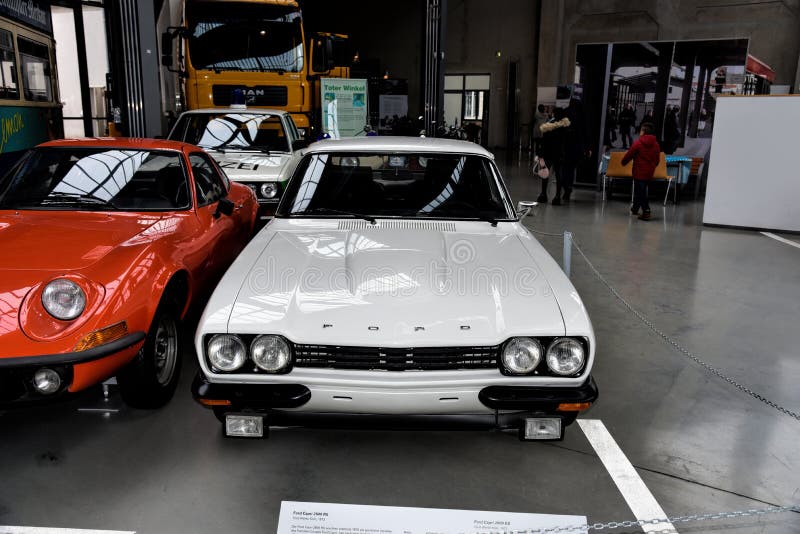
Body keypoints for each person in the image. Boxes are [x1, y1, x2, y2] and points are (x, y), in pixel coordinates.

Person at [622, 122, 660, 221]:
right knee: (640, 190)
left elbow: (629, 155)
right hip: (649, 172)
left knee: (641, 191)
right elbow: (657, 160)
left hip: (639, 171)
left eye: (641, 130)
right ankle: (635, 209)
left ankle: (646, 211)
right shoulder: (656, 144)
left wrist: (623, 162)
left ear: (643, 132)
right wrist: (652, 166)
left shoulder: (638, 143)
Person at [556, 98, 590, 204]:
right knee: (571, 169)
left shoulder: (565, 113)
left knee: (563, 168)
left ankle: (563, 188)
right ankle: (568, 188)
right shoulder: (581, 116)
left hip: (564, 147)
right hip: (576, 148)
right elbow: (585, 133)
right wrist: (587, 148)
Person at [535, 107, 570, 204]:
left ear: (554, 113)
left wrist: (540, 153)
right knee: (559, 174)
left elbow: (543, 140)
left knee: (545, 173)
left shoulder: (549, 125)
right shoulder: (565, 125)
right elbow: (566, 142)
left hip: (548, 153)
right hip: (559, 153)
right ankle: (557, 196)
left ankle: (543, 195)